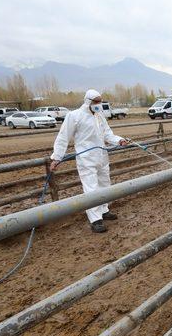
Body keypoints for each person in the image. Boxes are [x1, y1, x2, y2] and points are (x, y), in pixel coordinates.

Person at [50, 89, 129, 233]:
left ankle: (104, 210)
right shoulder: (74, 116)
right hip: (86, 159)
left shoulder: (99, 116)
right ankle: (95, 220)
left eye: (100, 101)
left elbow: (107, 134)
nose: (99, 104)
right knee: (91, 188)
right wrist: (57, 157)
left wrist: (119, 140)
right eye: (96, 101)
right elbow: (63, 137)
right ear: (88, 102)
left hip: (101, 156)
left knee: (105, 184)